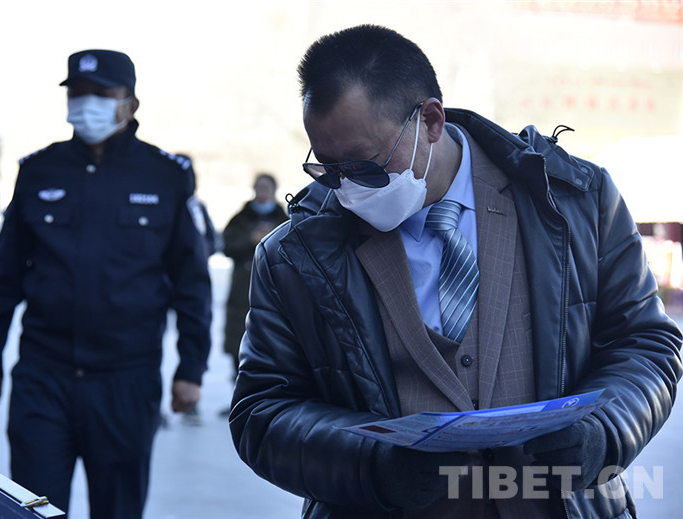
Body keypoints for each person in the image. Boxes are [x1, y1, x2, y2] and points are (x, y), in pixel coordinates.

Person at [229, 25, 683, 518]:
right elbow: (262, 412)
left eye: (364, 166)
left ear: (430, 120)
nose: (347, 189)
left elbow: (645, 345)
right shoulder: (295, 256)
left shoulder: (577, 202)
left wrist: (605, 431)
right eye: (327, 169)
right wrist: (371, 466)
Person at [0, 49, 212, 519]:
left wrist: (191, 368)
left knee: (118, 509)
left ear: (131, 104)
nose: (87, 104)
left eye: (101, 93)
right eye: (77, 93)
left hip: (125, 380)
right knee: (32, 508)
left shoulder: (166, 176)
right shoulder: (38, 171)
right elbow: (4, 273)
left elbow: (192, 282)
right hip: (44, 375)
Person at [222, 173, 288, 379]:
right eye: (259, 187)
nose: (262, 192)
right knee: (239, 345)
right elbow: (227, 246)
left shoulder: (283, 219)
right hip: (242, 291)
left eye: (266, 188)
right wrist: (250, 240)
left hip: (276, 292)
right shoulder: (241, 218)